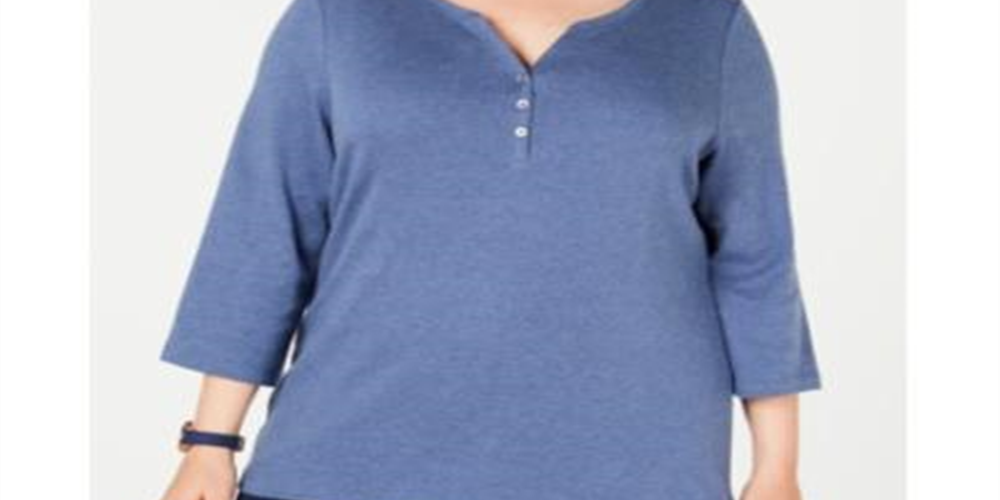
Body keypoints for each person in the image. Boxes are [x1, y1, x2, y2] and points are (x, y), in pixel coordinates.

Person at [158, 0, 823, 498]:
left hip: (636, 468)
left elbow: (755, 261)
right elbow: (264, 229)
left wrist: (777, 467)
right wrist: (211, 442)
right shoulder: (339, 18)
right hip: (347, 460)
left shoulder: (706, 24)